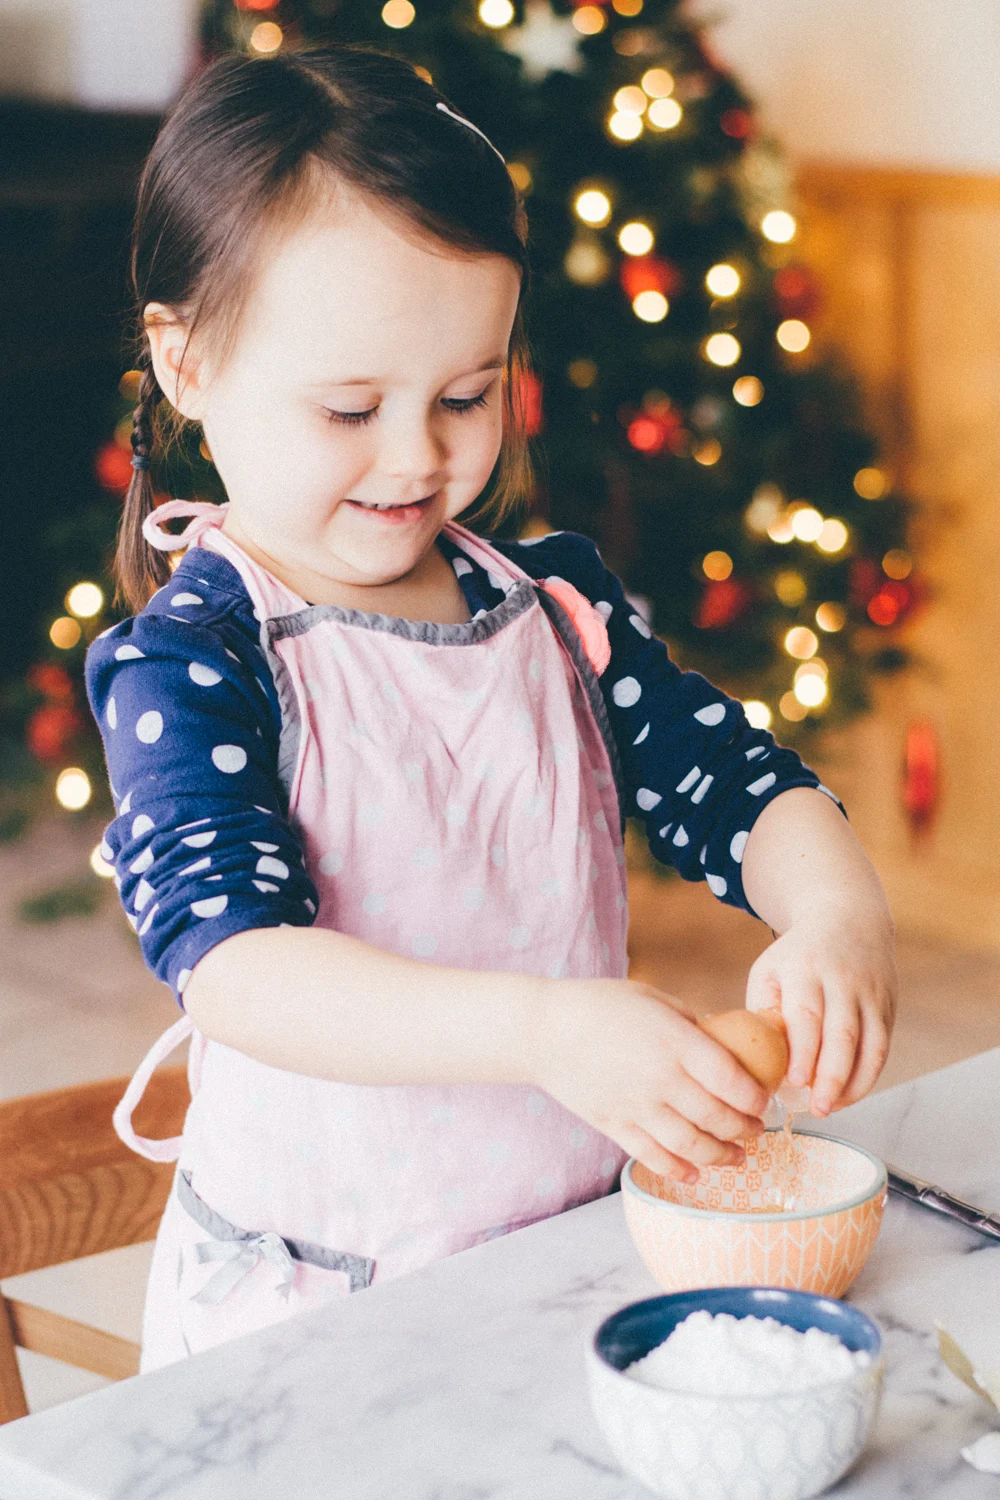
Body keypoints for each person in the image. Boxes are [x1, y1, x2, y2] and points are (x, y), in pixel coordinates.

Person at [85, 45, 897, 1371]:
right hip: (324, 1317)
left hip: (564, 1259)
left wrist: (837, 916)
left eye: (466, 395)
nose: (418, 455)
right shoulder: (198, 658)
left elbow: (744, 787)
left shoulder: (554, 609)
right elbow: (237, 971)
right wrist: (540, 1026)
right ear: (185, 364)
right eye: (351, 407)